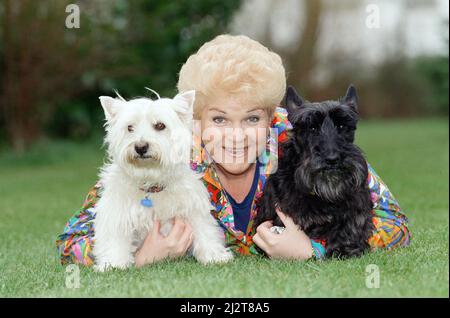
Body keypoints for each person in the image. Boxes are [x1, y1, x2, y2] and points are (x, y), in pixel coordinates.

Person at [56, 34, 410, 267]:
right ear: (194, 121)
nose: (237, 136)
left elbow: (394, 224)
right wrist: (139, 257)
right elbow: (72, 240)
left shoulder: (306, 143)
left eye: (252, 118)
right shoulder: (167, 161)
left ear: (274, 118)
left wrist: (314, 252)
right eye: (220, 119)